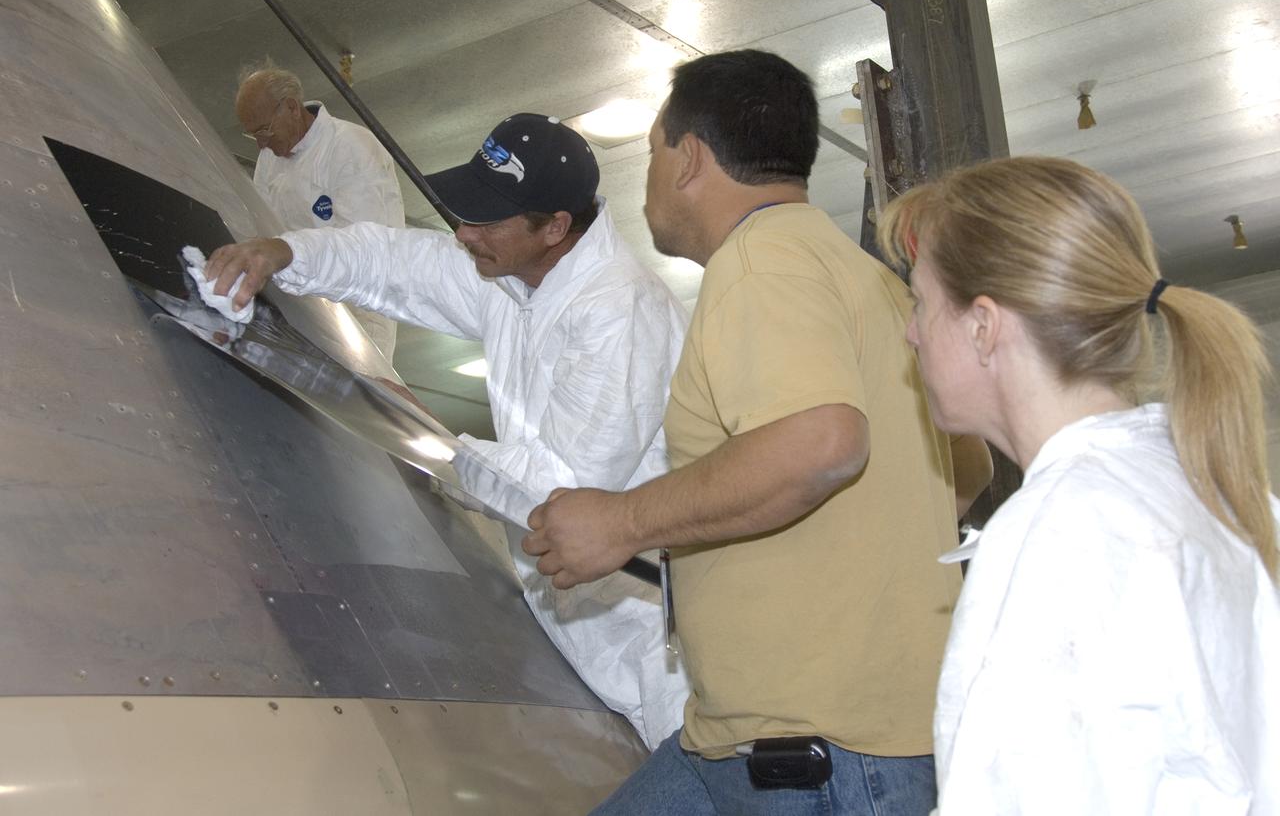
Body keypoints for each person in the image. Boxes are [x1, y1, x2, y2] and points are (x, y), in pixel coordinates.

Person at [523, 50, 991, 815]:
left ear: (689, 159)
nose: (646, 179)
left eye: (651, 154)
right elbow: (963, 471)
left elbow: (823, 443)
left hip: (819, 759)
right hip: (748, 741)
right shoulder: (869, 278)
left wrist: (621, 520)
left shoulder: (758, 264)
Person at [205, 112, 690, 750]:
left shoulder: (620, 313)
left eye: (487, 220)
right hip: (577, 625)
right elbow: (394, 261)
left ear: (555, 228)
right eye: (465, 212)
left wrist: (417, 428)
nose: (464, 233)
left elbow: (563, 491)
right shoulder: (513, 273)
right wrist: (286, 252)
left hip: (655, 648)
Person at [875, 156, 1280, 812]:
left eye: (920, 301)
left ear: (983, 325)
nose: (911, 331)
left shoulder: (1060, 537)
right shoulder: (1209, 485)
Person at [235, 63, 405, 358]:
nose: (261, 143)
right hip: (303, 303)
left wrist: (294, 259)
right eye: (253, 135)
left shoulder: (349, 146)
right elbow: (262, 228)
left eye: (264, 130)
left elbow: (363, 247)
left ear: (291, 107)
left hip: (360, 306)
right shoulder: (268, 160)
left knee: (356, 397)